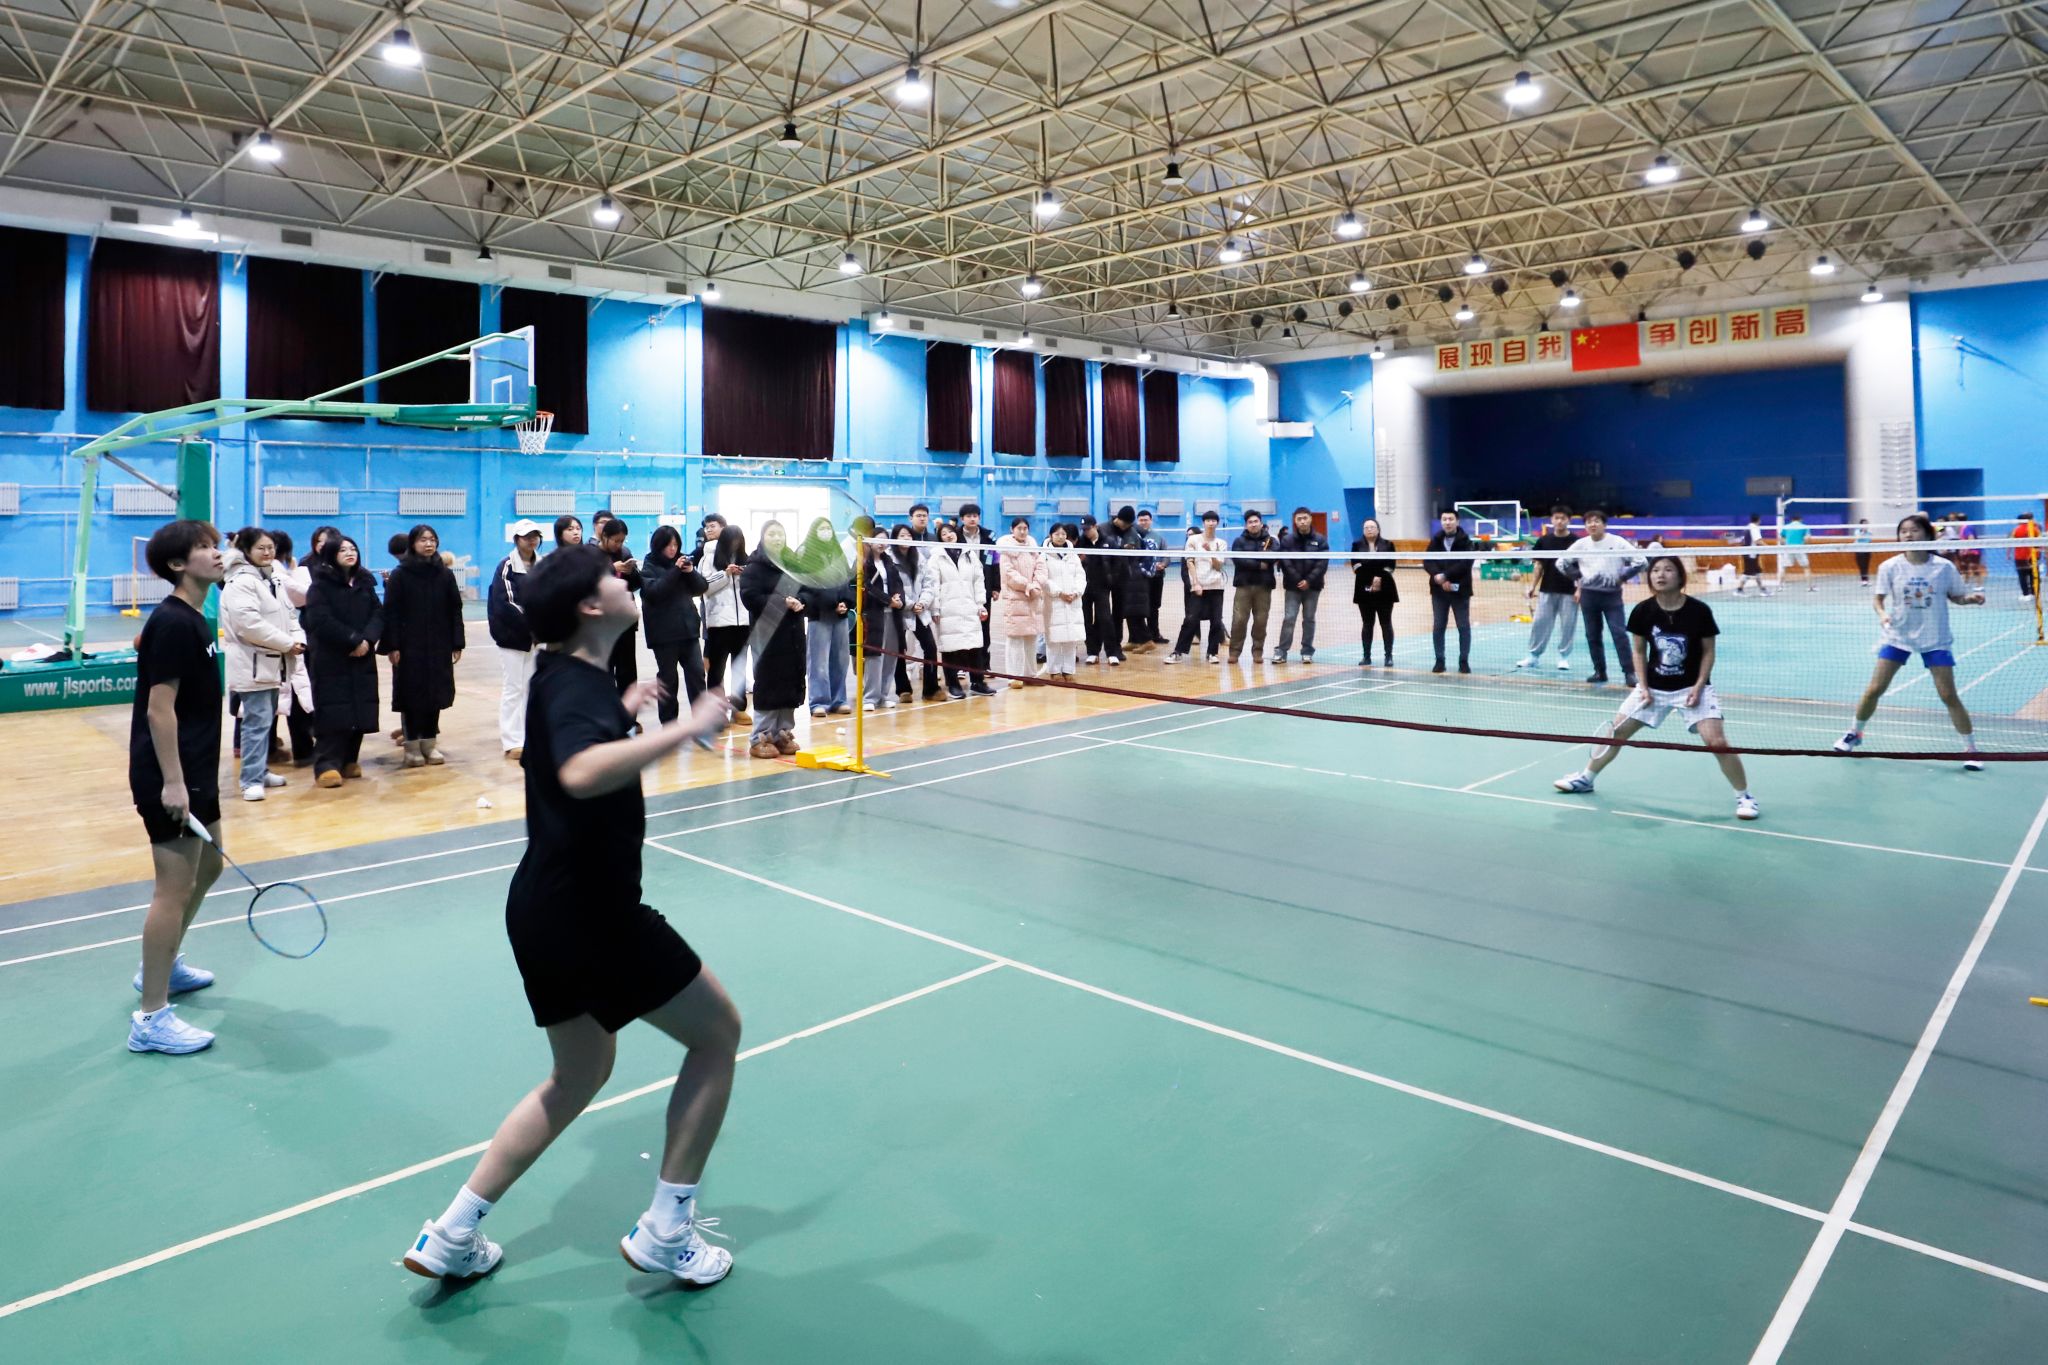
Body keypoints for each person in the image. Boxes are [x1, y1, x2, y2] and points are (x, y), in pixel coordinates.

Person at [400, 544, 739, 1290]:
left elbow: (571, 742)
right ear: (590, 606)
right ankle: (667, 1229)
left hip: (541, 909)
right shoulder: (576, 686)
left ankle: (452, 1232)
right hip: (595, 912)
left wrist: (624, 712)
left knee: (579, 1071)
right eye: (613, 577)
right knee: (718, 1035)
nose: (625, 579)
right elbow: (580, 772)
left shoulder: (563, 677)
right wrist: (684, 726)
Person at [1552, 557, 1759, 821]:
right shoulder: (1643, 611)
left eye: (1668, 570)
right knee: (1615, 732)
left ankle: (1744, 796)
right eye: (1656, 570)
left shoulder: (1699, 611)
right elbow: (1639, 651)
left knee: (1716, 742)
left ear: (1680, 577)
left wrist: (1699, 686)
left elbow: (1708, 652)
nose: (1661, 575)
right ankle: (1586, 778)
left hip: (1692, 687)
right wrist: (1643, 686)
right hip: (1653, 687)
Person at [126, 520, 227, 1056]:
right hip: (170, 774)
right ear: (177, 564)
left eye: (216, 545)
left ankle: (161, 965)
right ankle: (151, 1018)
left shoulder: (195, 618)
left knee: (209, 866)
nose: (218, 553)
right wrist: (172, 782)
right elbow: (158, 710)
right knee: (173, 888)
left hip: (196, 769)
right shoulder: (172, 622)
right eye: (205, 548)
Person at [1835, 512, 1987, 770]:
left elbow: (1957, 596)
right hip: (1898, 636)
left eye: (1914, 530)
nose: (1908, 534)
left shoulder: (1943, 567)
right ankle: (1855, 733)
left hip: (1935, 638)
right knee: (1874, 689)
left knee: (1948, 695)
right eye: (1903, 530)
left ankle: (1971, 749)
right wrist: (1882, 614)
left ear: (1927, 534)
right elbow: (1878, 599)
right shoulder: (1890, 566)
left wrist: (1970, 599)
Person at [219, 527, 302, 803]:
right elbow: (249, 625)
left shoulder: (272, 578)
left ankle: (260, 771)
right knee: (255, 723)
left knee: (266, 721)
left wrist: (297, 638)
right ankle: (250, 781)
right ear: (246, 551)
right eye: (261, 548)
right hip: (251, 664)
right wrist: (286, 643)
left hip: (273, 662)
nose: (267, 552)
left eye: (270, 547)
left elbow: (289, 615)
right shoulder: (240, 582)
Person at [381, 523, 465, 767]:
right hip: (409, 647)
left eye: (432, 539)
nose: (428, 544)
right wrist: (393, 645)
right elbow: (391, 612)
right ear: (413, 544)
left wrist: (457, 642)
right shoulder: (400, 575)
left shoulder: (445, 574)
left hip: (439, 645)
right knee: (411, 696)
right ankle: (412, 746)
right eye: (423, 540)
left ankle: (429, 743)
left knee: (434, 694)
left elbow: (455, 609)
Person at [302, 535, 382, 787]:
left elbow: (377, 614)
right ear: (331, 555)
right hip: (332, 658)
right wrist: (352, 640)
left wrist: (368, 639)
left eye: (353, 548)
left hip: (363, 656)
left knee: (360, 709)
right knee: (333, 710)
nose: (350, 553)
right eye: (343, 550)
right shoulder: (320, 586)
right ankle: (326, 764)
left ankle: (349, 759)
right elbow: (320, 620)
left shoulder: (364, 583)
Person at [737, 520, 807, 757]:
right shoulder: (754, 568)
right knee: (769, 683)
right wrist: (781, 601)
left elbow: (808, 591)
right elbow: (750, 597)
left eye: (780, 534)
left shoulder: (793, 565)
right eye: (772, 534)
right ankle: (761, 737)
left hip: (793, 633)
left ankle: (783, 733)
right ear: (762, 538)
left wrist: (801, 601)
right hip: (767, 636)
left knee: (791, 682)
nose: (777, 539)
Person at [1558, 509, 1646, 687]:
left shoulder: (1617, 542)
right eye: (1589, 522)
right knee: (1592, 635)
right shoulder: (1581, 544)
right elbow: (1561, 562)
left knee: (1619, 633)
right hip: (1589, 597)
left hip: (1612, 597)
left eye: (1597, 521)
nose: (1593, 524)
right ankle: (1600, 672)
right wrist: (1578, 577)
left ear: (1604, 524)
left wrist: (1623, 577)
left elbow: (1641, 561)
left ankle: (1629, 673)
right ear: (1585, 526)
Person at [641, 525, 712, 747]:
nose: (672, 549)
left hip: (688, 630)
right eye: (668, 545)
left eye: (675, 545)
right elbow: (654, 592)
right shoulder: (649, 565)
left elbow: (701, 587)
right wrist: (675, 570)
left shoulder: (683, 563)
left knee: (697, 675)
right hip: (663, 634)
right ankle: (669, 726)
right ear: (658, 546)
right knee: (668, 680)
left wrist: (690, 572)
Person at [488, 520, 545, 760]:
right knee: (514, 688)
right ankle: (512, 741)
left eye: (535, 536)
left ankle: (531, 737)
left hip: (538, 638)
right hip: (512, 637)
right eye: (526, 536)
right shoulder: (506, 566)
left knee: (533, 687)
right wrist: (532, 625)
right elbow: (506, 603)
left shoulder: (543, 565)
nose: (531, 540)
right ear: (516, 539)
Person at [789, 517, 854, 716]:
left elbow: (846, 581)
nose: (826, 532)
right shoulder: (805, 553)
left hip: (840, 616)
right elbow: (803, 584)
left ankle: (839, 699)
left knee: (840, 660)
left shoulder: (838, 553)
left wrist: (845, 602)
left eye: (828, 528)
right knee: (818, 662)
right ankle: (818, 701)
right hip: (819, 615)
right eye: (821, 528)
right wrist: (824, 603)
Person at [924, 520, 992, 697]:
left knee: (975, 647)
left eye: (950, 532)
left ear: (957, 533)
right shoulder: (936, 557)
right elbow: (933, 584)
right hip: (947, 609)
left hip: (969, 607)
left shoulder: (969, 554)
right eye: (943, 534)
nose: (948, 536)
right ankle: (953, 685)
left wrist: (980, 604)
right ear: (940, 538)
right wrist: (935, 609)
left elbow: (979, 580)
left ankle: (977, 682)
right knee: (950, 649)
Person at [270, 529, 317, 768]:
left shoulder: (277, 573)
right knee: (286, 699)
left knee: (280, 699)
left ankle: (278, 750)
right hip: (275, 647)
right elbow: (305, 596)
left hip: (285, 644)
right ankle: (301, 751)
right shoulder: (276, 574)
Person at [1515, 506, 1578, 671]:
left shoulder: (1577, 542)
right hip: (1547, 590)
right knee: (1540, 623)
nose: (1559, 521)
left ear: (1569, 520)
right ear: (1552, 520)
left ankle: (1564, 657)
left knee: (1568, 626)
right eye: (1556, 518)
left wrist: (1580, 589)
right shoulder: (1544, 541)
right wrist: (1532, 586)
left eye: (1563, 518)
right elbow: (1539, 566)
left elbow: (1582, 568)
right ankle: (1534, 656)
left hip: (1570, 592)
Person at [702, 524, 753, 726]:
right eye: (732, 541)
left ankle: (739, 709)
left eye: (738, 541)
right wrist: (725, 574)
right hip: (719, 623)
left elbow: (753, 587)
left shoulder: (746, 560)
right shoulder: (709, 559)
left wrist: (745, 574)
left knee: (739, 668)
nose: (735, 545)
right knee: (717, 670)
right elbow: (704, 586)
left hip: (743, 622)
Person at [856, 518, 906, 711]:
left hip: (893, 615)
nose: (881, 543)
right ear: (870, 541)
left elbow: (898, 584)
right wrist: (887, 600)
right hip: (874, 616)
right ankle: (870, 697)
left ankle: (884, 695)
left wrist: (899, 599)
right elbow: (867, 587)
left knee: (891, 655)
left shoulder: (889, 562)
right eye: (878, 539)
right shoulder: (863, 563)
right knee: (874, 656)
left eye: (885, 540)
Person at [1166, 512, 1227, 664]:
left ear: (1217, 523)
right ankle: (1178, 652)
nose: (1211, 523)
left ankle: (1212, 653)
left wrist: (1210, 552)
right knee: (1191, 619)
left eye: (1213, 520)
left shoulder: (1221, 543)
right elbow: (1190, 562)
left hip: (1216, 586)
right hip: (1198, 586)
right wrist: (1195, 583)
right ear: (1203, 523)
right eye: (1208, 520)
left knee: (1216, 621)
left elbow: (1218, 566)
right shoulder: (1193, 540)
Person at [1272, 507, 1329, 664]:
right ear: (1295, 521)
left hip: (1313, 587)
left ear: (1310, 519)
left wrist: (1309, 580)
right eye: (1299, 519)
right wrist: (1298, 579)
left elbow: (1322, 563)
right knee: (1289, 618)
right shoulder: (1287, 540)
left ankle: (1307, 651)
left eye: (1305, 518)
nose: (1302, 521)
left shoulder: (1321, 540)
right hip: (1292, 587)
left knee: (1309, 619)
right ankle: (1282, 651)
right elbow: (1285, 562)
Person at [893, 524, 943, 700]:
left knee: (930, 647)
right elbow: (893, 587)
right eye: (901, 535)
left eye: (908, 535)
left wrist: (922, 603)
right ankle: (903, 690)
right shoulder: (890, 559)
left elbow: (929, 583)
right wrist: (909, 604)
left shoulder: (920, 558)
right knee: (899, 650)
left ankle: (931, 689)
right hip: (899, 611)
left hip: (920, 611)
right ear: (894, 538)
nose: (906, 539)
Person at [992, 517, 1042, 692]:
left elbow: (1041, 568)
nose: (1022, 531)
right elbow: (1009, 574)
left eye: (1025, 528)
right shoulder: (1006, 551)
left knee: (1031, 637)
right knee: (1015, 638)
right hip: (1014, 598)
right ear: (1012, 529)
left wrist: (1036, 585)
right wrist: (1027, 586)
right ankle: (1014, 676)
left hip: (1033, 597)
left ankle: (1030, 675)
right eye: (1019, 528)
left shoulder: (1033, 548)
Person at [1425, 509, 1474, 674]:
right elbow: (1427, 561)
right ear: (1441, 522)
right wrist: (1438, 577)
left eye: (1450, 519)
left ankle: (1463, 661)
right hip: (1439, 591)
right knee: (1438, 626)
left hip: (1460, 591)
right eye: (1444, 519)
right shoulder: (1435, 540)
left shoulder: (1466, 541)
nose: (1447, 522)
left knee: (1463, 626)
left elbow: (1465, 564)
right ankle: (1439, 661)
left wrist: (1446, 576)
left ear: (1457, 522)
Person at [1227, 510, 1277, 663]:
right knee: (1239, 620)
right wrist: (1259, 564)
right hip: (1244, 585)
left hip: (1264, 586)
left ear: (1261, 523)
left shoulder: (1271, 540)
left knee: (1261, 621)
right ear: (1246, 525)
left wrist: (1255, 561)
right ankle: (1234, 652)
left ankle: (1257, 652)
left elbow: (1273, 557)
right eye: (1250, 522)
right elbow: (1239, 560)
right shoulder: (1239, 541)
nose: (1253, 524)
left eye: (1256, 521)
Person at [958, 503, 1002, 675]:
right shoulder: (955, 536)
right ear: (962, 519)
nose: (972, 519)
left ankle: (984, 664)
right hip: (961, 587)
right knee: (963, 625)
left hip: (984, 587)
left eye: (975, 515)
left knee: (984, 626)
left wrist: (996, 586)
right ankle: (962, 665)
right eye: (968, 516)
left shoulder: (989, 537)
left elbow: (995, 562)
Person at [1351, 517, 1398, 667]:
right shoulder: (1356, 545)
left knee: (1386, 623)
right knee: (1367, 624)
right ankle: (1366, 657)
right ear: (1363, 530)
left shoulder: (1388, 545)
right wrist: (1370, 580)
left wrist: (1379, 578)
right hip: (1364, 590)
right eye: (1366, 527)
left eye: (1372, 527)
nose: (1369, 529)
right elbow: (1355, 565)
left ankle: (1388, 656)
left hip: (1385, 589)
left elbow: (1391, 565)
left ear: (1378, 529)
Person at [1041, 522, 1086, 677]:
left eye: (1063, 534)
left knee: (1071, 639)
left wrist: (1076, 592)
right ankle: (1054, 671)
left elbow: (1080, 576)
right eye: (1057, 534)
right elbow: (1043, 578)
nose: (1060, 537)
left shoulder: (1073, 556)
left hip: (1073, 602)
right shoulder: (1043, 556)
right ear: (1050, 536)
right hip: (1054, 601)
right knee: (1053, 639)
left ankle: (1068, 670)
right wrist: (1059, 593)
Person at [1076, 516, 1114, 664]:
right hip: (1084, 588)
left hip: (1102, 587)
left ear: (1095, 526)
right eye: (1084, 529)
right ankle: (1092, 652)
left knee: (1105, 618)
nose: (1086, 532)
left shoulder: (1108, 542)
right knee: (1086, 620)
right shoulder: (1080, 543)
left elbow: (1117, 563)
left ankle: (1111, 652)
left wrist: (1112, 580)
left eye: (1088, 529)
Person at [1135, 510, 1170, 645]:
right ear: (1137, 521)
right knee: (1139, 608)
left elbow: (1166, 555)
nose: (1143, 522)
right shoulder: (1133, 536)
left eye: (1146, 520)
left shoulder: (1158, 537)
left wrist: (1163, 564)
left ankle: (1154, 634)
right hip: (1139, 578)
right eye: (1141, 520)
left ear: (1151, 521)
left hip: (1156, 577)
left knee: (1154, 607)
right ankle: (1140, 637)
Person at [1735, 514, 1770, 596]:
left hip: (1748, 552)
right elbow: (1758, 541)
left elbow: (1740, 540)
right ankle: (1739, 590)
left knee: (1757, 571)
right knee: (1748, 572)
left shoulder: (1747, 527)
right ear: (1758, 520)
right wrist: (1769, 547)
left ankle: (1762, 589)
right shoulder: (1754, 528)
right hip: (1751, 554)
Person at [1781, 513, 1814, 591]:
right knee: (1806, 567)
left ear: (1791, 520)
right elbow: (1808, 539)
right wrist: (1803, 545)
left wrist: (1787, 544)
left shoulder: (1786, 527)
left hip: (1788, 549)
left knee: (1784, 568)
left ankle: (1780, 586)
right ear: (1800, 519)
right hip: (1800, 549)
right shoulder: (1804, 527)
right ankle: (1809, 587)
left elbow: (1781, 539)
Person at [2013, 510, 2040, 602]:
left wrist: (2008, 554)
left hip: (2020, 557)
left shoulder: (2016, 529)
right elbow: (2039, 542)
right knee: (2034, 575)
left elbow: (2011, 541)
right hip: (2033, 557)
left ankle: (2026, 594)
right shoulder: (2036, 529)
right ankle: (2034, 593)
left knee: (2022, 576)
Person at [1853, 518, 1874, 587]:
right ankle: (1863, 581)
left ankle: (1866, 580)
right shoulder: (1857, 532)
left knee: (1866, 566)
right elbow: (1858, 538)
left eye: (1866, 524)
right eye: (1864, 524)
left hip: (1867, 551)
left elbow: (1869, 541)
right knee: (1862, 566)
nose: (1866, 525)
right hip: (1859, 551)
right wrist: (1863, 532)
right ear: (1861, 525)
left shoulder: (1869, 533)